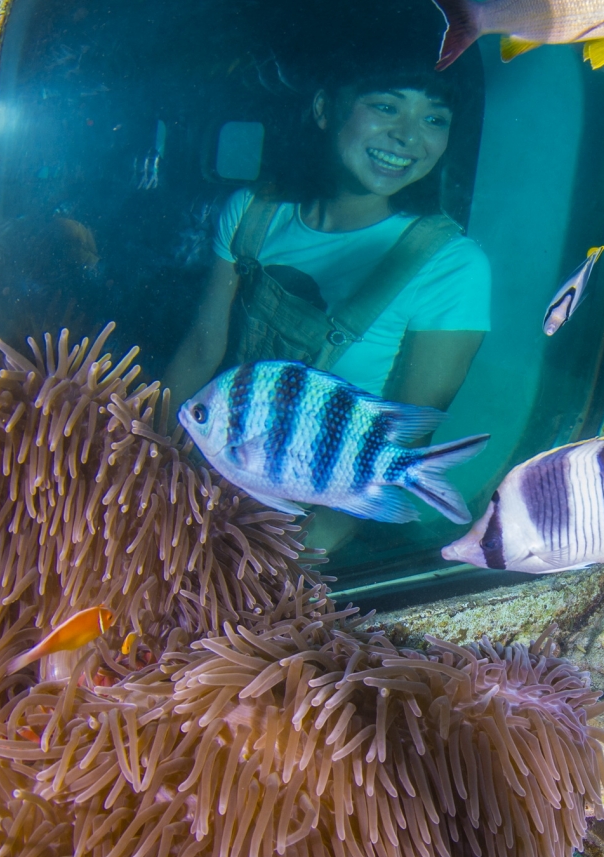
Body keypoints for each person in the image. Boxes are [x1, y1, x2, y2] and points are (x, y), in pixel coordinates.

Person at [164, 55, 489, 551]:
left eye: (434, 119)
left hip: (314, 517)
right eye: (386, 106)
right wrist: (145, 467)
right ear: (323, 108)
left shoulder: (451, 266)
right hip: (216, 467)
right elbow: (200, 353)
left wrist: (284, 572)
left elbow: (406, 436)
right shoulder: (253, 213)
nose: (408, 136)